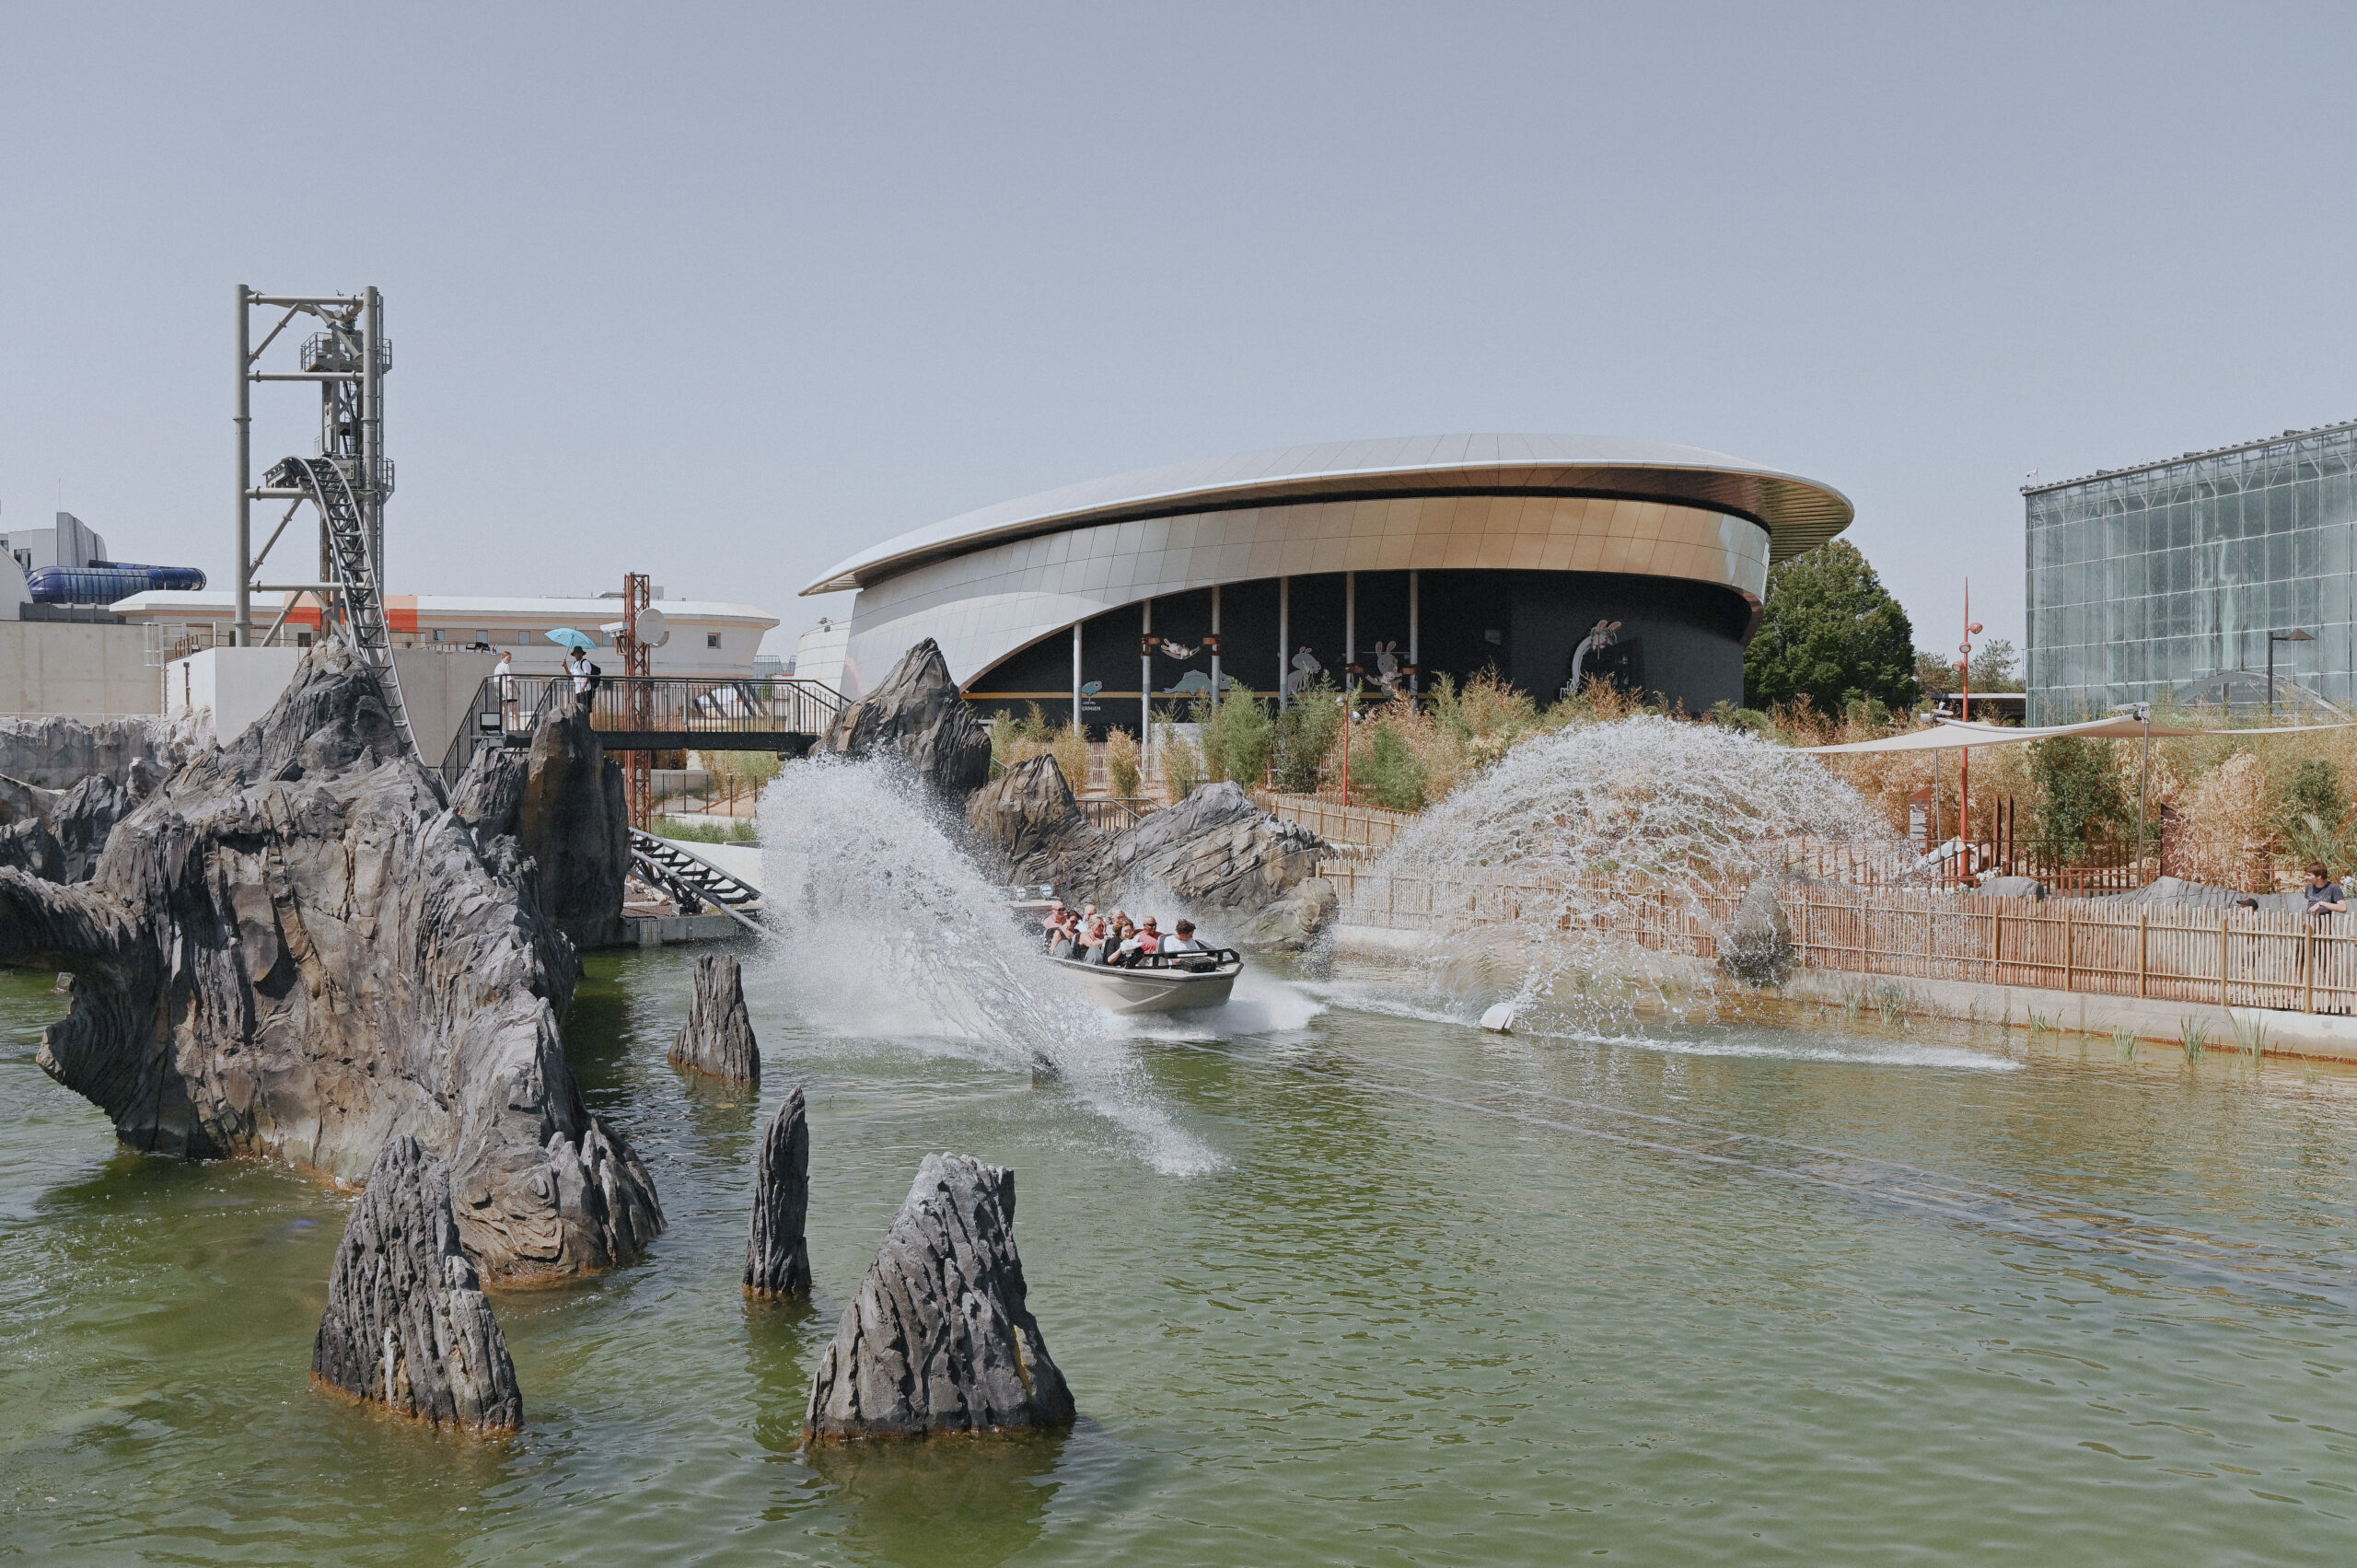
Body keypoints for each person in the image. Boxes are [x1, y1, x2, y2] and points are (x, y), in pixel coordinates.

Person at [494, 649, 519, 731]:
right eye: (508, 657)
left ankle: (503, 728)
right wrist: (517, 688)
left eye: (510, 658)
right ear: (504, 657)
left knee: (504, 710)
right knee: (515, 709)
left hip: (500, 692)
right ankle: (517, 727)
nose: (510, 659)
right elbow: (510, 679)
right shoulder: (506, 666)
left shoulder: (498, 666)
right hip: (508, 691)